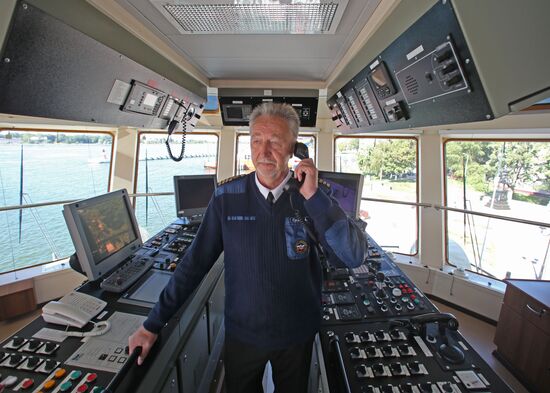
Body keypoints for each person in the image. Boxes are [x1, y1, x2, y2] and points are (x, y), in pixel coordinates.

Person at [129, 102, 368, 393]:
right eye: (256, 140)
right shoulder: (226, 197)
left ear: (295, 148)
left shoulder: (314, 198)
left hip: (297, 335)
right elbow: (194, 264)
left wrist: (315, 198)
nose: (263, 152)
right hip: (242, 335)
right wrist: (151, 325)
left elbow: (353, 256)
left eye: (275, 142)